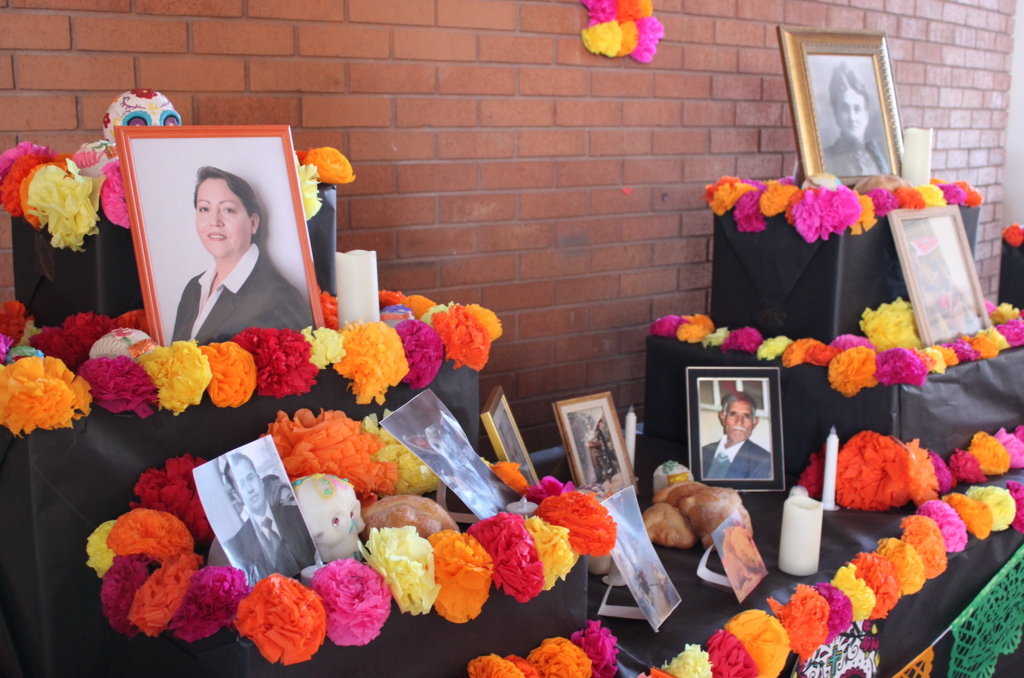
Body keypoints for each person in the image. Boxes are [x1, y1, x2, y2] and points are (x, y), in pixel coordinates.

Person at [172, 166, 312, 344]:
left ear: (253, 222)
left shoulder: (278, 298)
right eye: (204, 209)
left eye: (228, 210)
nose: (214, 222)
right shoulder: (194, 289)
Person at [222, 453, 316, 584]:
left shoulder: (296, 515)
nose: (249, 489)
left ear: (259, 480)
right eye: (241, 484)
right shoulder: (238, 546)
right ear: (236, 494)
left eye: (250, 478)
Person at [821, 62, 889, 177]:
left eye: (857, 109)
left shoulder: (879, 158)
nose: (852, 118)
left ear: (866, 116)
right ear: (836, 115)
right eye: (845, 109)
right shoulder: (825, 159)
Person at [701, 392, 772, 480]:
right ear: (723, 418)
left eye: (746, 416)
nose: (739, 421)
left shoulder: (763, 461)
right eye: (733, 414)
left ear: (755, 422)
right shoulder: (703, 452)